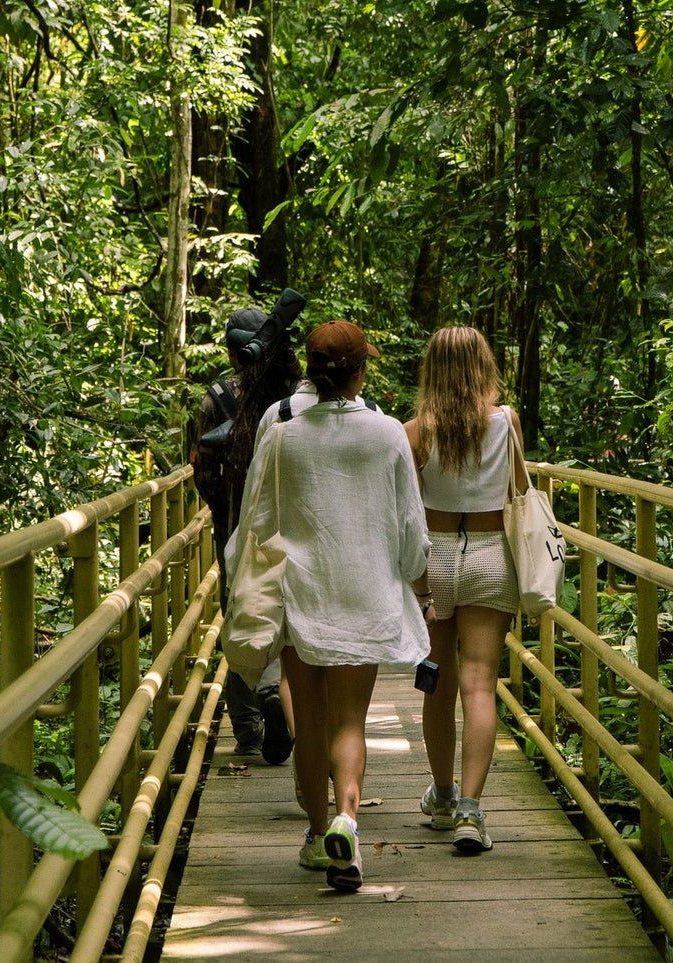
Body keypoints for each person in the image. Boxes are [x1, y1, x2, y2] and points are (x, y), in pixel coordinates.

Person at [228, 320, 432, 890]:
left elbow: (255, 523)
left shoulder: (282, 434)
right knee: (350, 720)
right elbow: (411, 532)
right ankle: (348, 820)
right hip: (363, 595)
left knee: (312, 718)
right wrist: (417, 579)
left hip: (300, 596)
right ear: (359, 372)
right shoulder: (389, 433)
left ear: (313, 372)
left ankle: (319, 837)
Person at [403, 326, 527, 853]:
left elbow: (407, 515)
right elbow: (519, 493)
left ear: (431, 369)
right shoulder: (507, 424)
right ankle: (472, 813)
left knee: (437, 681)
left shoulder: (412, 433)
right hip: (490, 554)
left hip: (434, 558)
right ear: (484, 367)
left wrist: (420, 586)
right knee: (480, 683)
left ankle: (444, 796)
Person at [187, 307, 299, 765]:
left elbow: (201, 469)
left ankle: (249, 729)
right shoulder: (296, 393)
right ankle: (288, 700)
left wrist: (225, 511)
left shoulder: (214, 399)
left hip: (238, 526)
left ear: (234, 353)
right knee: (290, 616)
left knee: (242, 613)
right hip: (295, 525)